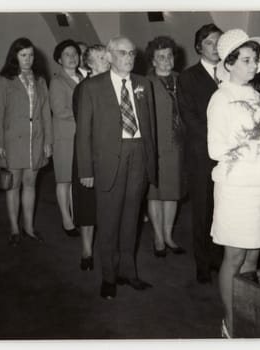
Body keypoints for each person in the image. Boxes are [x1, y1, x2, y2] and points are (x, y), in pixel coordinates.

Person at [207, 29, 260, 338]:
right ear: (230, 63)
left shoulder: (256, 96)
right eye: (247, 60)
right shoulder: (220, 98)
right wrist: (257, 149)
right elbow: (215, 149)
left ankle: (247, 313)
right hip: (236, 187)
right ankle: (231, 322)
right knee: (234, 256)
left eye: (255, 60)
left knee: (253, 256)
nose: (253, 66)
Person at [75, 36, 157, 299]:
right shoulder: (92, 87)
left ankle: (128, 273)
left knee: (131, 219)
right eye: (123, 53)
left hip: (138, 156)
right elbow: (83, 133)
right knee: (108, 220)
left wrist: (150, 163)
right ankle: (108, 276)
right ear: (109, 56)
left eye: (132, 53)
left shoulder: (143, 84)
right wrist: (86, 171)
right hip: (109, 159)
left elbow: (150, 127)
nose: (130, 58)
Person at [0, 37, 53, 246]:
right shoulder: (5, 80)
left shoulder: (40, 80)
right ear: (15, 57)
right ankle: (14, 228)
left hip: (35, 139)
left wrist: (48, 140)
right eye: (23, 55)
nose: (28, 59)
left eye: (31, 55)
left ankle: (28, 227)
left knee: (30, 184)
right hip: (12, 142)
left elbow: (46, 112)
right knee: (13, 185)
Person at [177, 23, 224, 283]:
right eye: (209, 43)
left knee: (223, 208)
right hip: (202, 153)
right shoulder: (188, 77)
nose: (216, 47)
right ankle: (203, 263)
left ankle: (218, 257)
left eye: (219, 42)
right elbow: (190, 118)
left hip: (229, 154)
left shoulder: (230, 73)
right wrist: (219, 138)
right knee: (203, 210)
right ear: (198, 47)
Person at [144, 36, 186, 257]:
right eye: (161, 57)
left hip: (177, 146)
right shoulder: (145, 83)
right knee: (154, 194)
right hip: (155, 145)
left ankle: (168, 236)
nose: (166, 61)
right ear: (153, 61)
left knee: (172, 193)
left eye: (169, 56)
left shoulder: (182, 80)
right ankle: (158, 237)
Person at [71, 44, 111, 271]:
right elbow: (84, 125)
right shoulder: (84, 88)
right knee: (87, 204)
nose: (106, 60)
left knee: (107, 204)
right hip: (88, 151)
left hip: (109, 154)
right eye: (99, 58)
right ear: (89, 63)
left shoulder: (114, 85)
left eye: (106, 56)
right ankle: (86, 250)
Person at [49, 39, 83, 237]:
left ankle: (76, 215)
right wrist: (85, 115)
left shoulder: (82, 77)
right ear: (59, 60)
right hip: (64, 136)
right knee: (64, 180)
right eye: (67, 55)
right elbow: (60, 111)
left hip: (81, 136)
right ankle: (66, 219)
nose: (72, 58)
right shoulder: (57, 81)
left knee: (77, 179)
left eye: (75, 54)